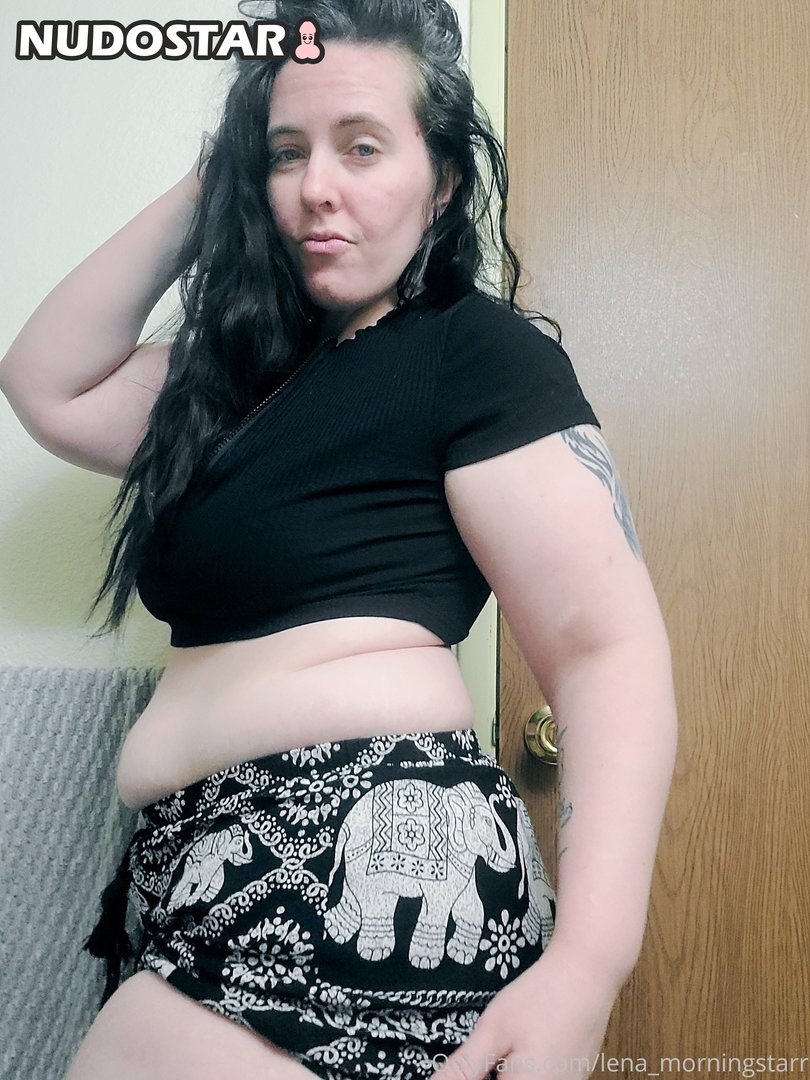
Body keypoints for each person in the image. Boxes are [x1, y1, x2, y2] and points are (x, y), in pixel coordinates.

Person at [0, 1, 678, 1077]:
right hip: (196, 867)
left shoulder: (473, 353)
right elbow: (47, 384)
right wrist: (219, 172)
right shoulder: (227, 382)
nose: (318, 186)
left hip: (363, 860)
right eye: (287, 153)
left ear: (440, 180)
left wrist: (592, 963)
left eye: (362, 147)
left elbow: (605, 648)